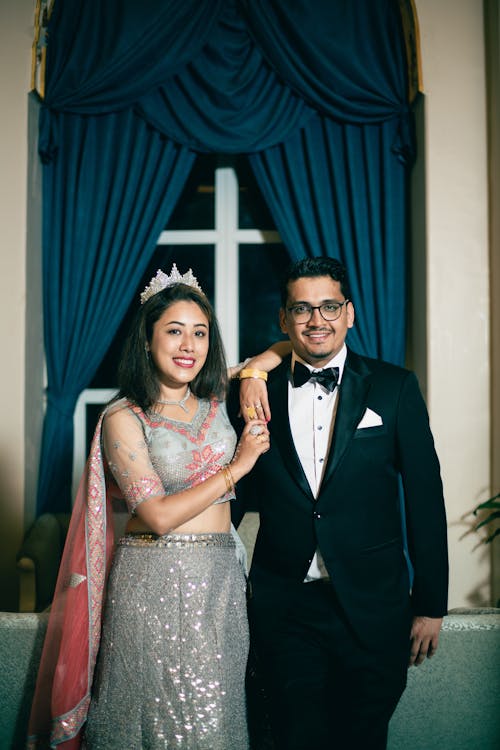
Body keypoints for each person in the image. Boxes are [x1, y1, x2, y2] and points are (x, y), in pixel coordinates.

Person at [27, 265, 271, 750]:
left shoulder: (215, 394)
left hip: (221, 578)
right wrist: (237, 468)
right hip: (154, 582)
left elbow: (282, 351)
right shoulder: (123, 416)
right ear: (146, 339)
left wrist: (255, 372)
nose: (188, 346)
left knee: (216, 721)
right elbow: (156, 515)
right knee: (148, 718)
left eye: (199, 333)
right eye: (174, 331)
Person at [230, 257, 449, 750]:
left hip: (374, 608)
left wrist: (432, 604)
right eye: (302, 309)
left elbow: (425, 499)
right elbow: (233, 498)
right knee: (294, 736)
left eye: (330, 306)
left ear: (350, 313)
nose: (317, 320)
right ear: (283, 320)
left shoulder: (395, 388)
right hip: (285, 607)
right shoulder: (249, 395)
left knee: (363, 739)